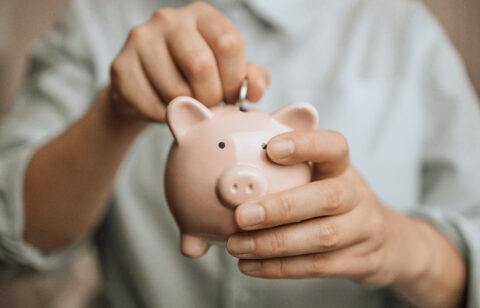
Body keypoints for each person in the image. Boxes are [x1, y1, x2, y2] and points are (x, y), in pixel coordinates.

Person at [1, 0, 479, 306]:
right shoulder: (100, 16)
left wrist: (401, 246)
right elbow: (9, 242)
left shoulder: (402, 29)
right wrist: (113, 114)